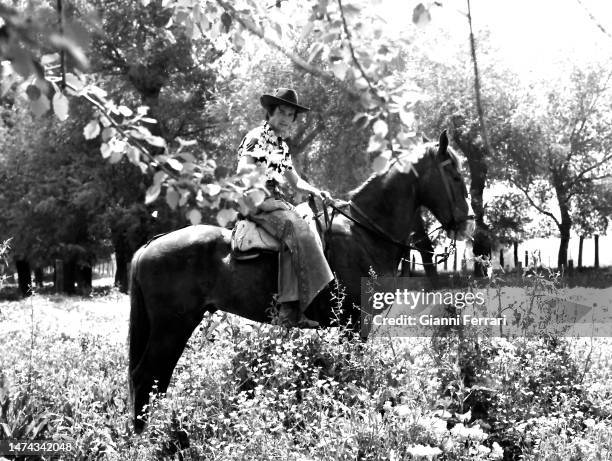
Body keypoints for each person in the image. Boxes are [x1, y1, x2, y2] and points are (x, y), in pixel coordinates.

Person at [236, 88, 334, 327]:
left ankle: (311, 297)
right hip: (254, 201)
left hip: (275, 200)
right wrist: (263, 201)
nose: (286, 118)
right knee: (295, 228)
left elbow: (295, 181)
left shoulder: (282, 146)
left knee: (308, 221)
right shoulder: (256, 137)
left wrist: (316, 191)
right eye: (281, 112)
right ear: (270, 112)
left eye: (291, 115)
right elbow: (243, 171)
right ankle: (289, 309)